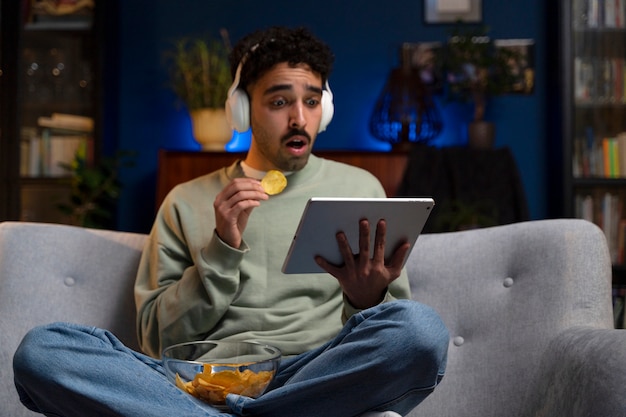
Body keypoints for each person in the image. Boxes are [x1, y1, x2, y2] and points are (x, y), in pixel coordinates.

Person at [13, 26, 449, 417]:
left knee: (421, 330)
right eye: (280, 101)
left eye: (312, 101)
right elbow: (154, 341)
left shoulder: (361, 188)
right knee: (43, 351)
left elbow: (392, 332)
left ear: (325, 109)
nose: (299, 117)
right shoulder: (186, 200)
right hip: (198, 385)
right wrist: (221, 247)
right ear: (241, 110)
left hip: (316, 374)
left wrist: (367, 298)